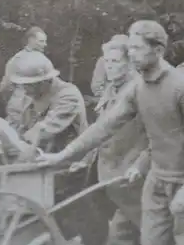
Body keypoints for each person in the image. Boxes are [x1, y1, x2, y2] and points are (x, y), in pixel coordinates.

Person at [37, 20, 184, 245]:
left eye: (137, 48)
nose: (131, 54)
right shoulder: (137, 89)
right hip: (158, 179)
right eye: (130, 48)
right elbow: (104, 127)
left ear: (158, 50)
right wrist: (63, 155)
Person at [76, 34, 147, 245]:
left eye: (115, 61)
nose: (109, 66)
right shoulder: (111, 89)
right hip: (109, 175)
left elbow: (157, 136)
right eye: (106, 61)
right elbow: (101, 130)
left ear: (130, 63)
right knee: (93, 223)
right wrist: (84, 158)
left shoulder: (141, 91)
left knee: (126, 233)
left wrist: (140, 164)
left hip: (134, 177)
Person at [7, 50, 87, 155]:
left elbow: (45, 131)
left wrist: (17, 142)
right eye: (21, 85)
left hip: (68, 160)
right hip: (38, 156)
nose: (24, 90)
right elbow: (14, 121)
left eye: (28, 84)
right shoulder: (28, 94)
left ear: (44, 81)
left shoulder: (68, 96)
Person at [0, 26, 47, 128]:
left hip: (36, 107)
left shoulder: (43, 60)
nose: (45, 44)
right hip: (19, 103)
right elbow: (6, 85)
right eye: (41, 41)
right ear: (31, 40)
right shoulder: (18, 59)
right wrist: (16, 97)